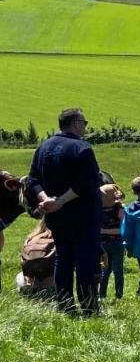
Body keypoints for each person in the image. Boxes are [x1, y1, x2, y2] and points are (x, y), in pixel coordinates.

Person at [25, 108, 103, 313]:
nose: (85, 126)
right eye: (84, 122)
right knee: (85, 259)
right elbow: (88, 182)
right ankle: (88, 307)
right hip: (83, 214)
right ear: (76, 123)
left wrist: (46, 199)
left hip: (56, 217)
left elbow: (32, 180)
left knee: (63, 258)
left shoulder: (43, 147)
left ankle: (65, 304)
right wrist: (61, 200)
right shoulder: (81, 147)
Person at [98, 183, 126, 299]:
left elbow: (122, 230)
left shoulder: (119, 210)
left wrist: (103, 231)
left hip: (116, 244)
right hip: (103, 245)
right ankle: (102, 294)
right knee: (105, 270)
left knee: (117, 270)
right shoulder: (98, 209)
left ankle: (119, 294)